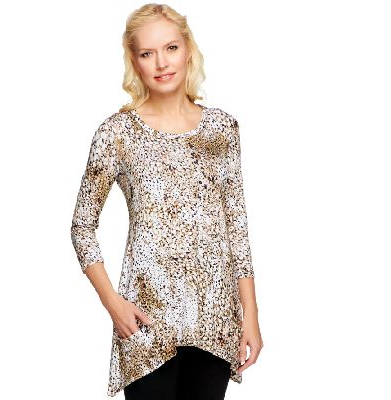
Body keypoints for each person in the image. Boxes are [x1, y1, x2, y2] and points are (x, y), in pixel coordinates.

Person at [70, 3, 263, 399]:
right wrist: (113, 303)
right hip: (146, 317)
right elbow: (81, 227)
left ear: (188, 50)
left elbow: (237, 224)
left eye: (171, 48)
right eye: (147, 53)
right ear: (134, 61)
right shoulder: (117, 134)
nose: (161, 63)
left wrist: (252, 315)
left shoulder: (221, 128)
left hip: (214, 317)